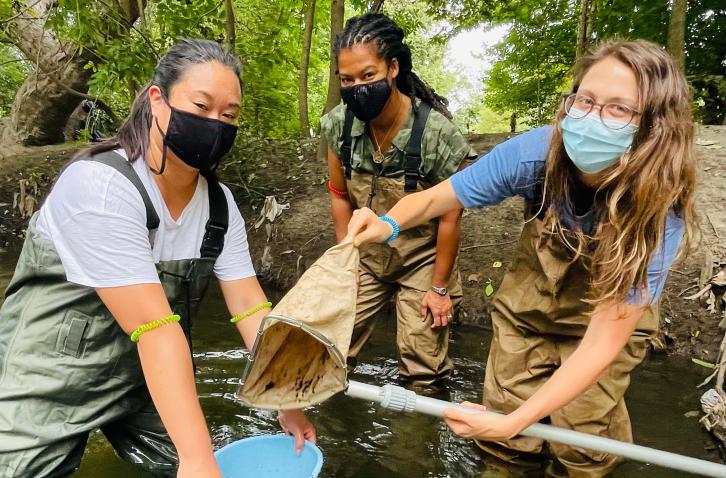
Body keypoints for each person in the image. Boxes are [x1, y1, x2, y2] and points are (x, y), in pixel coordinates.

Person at [347, 39, 696, 476]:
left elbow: (604, 340)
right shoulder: (536, 154)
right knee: (506, 443)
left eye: (618, 109)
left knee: (582, 439)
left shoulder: (661, 208)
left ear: (654, 127)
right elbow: (438, 198)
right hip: (526, 314)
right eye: (585, 100)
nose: (592, 118)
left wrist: (515, 420)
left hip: (602, 325)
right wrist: (387, 224)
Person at [0, 39, 315, 478]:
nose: (215, 124)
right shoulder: (101, 185)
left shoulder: (219, 206)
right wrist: (197, 458)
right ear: (157, 100)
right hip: (52, 372)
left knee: (201, 463)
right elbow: (156, 329)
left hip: (144, 376)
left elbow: (251, 308)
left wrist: (287, 401)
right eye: (201, 106)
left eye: (229, 116)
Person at [320, 13, 476, 387]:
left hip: (423, 260)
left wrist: (438, 290)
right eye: (347, 79)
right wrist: (347, 262)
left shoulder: (436, 134)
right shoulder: (338, 126)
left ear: (392, 68)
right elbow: (340, 194)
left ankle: (417, 440)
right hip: (368, 257)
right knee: (328, 347)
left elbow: (451, 219)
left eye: (368, 75)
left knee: (424, 367)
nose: (357, 86)